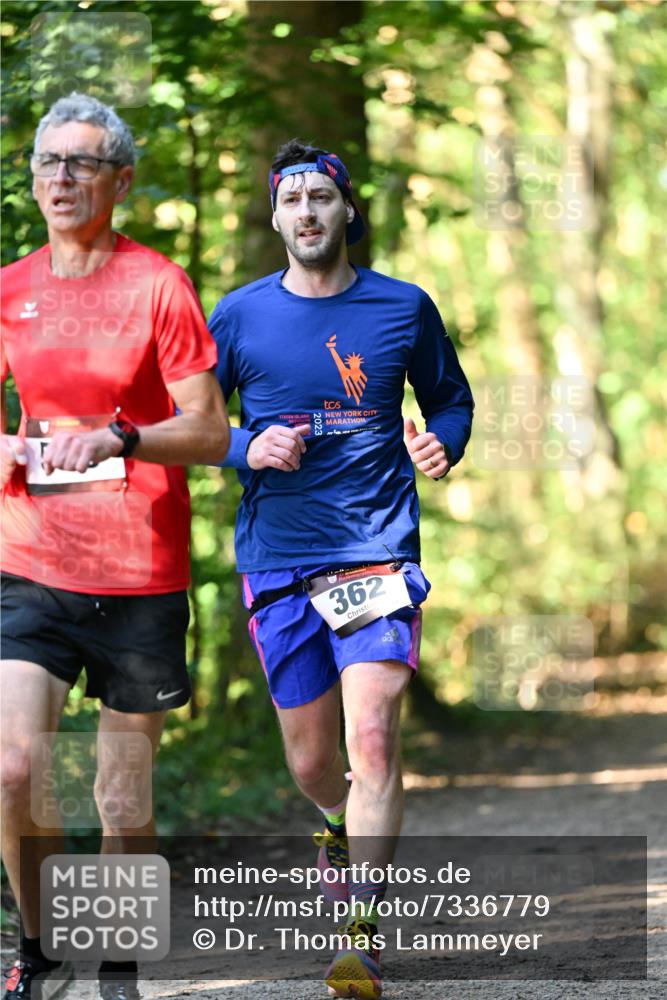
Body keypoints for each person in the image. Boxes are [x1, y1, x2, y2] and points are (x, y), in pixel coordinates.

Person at [209, 139, 474, 999]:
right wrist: (250, 444)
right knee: (313, 758)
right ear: (277, 216)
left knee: (372, 737)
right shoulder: (239, 316)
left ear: (347, 209)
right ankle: (332, 820)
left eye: (323, 197)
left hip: (376, 550)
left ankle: (361, 934)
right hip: (279, 556)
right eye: (294, 201)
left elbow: (450, 399)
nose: (309, 213)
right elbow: (191, 424)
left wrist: (446, 443)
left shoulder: (402, 308)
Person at [0, 93, 229, 1000]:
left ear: (120, 181)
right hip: (29, 563)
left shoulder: (158, 285)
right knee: (13, 767)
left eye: (83, 162)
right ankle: (43, 947)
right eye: (48, 162)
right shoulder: (8, 289)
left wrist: (121, 438)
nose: (61, 177)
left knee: (121, 800)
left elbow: (210, 432)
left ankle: (119, 972)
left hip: (138, 575)